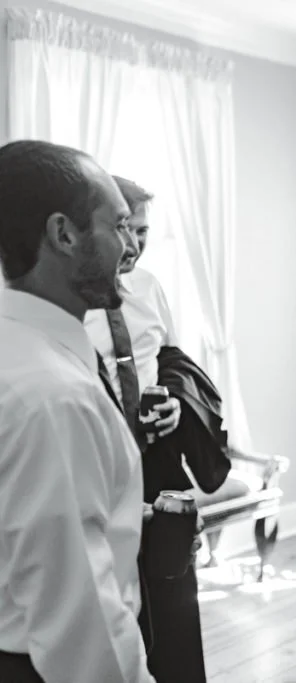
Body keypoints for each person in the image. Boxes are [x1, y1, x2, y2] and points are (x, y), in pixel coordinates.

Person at [0, 139, 155, 682]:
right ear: (64, 234)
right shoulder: (53, 397)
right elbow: (81, 620)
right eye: (119, 226)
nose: (129, 248)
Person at [85, 175, 229, 682]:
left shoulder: (150, 288)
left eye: (143, 231)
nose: (135, 244)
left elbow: (170, 361)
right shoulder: (69, 300)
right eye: (125, 229)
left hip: (159, 462)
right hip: (100, 467)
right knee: (116, 605)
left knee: (176, 603)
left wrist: (175, 407)